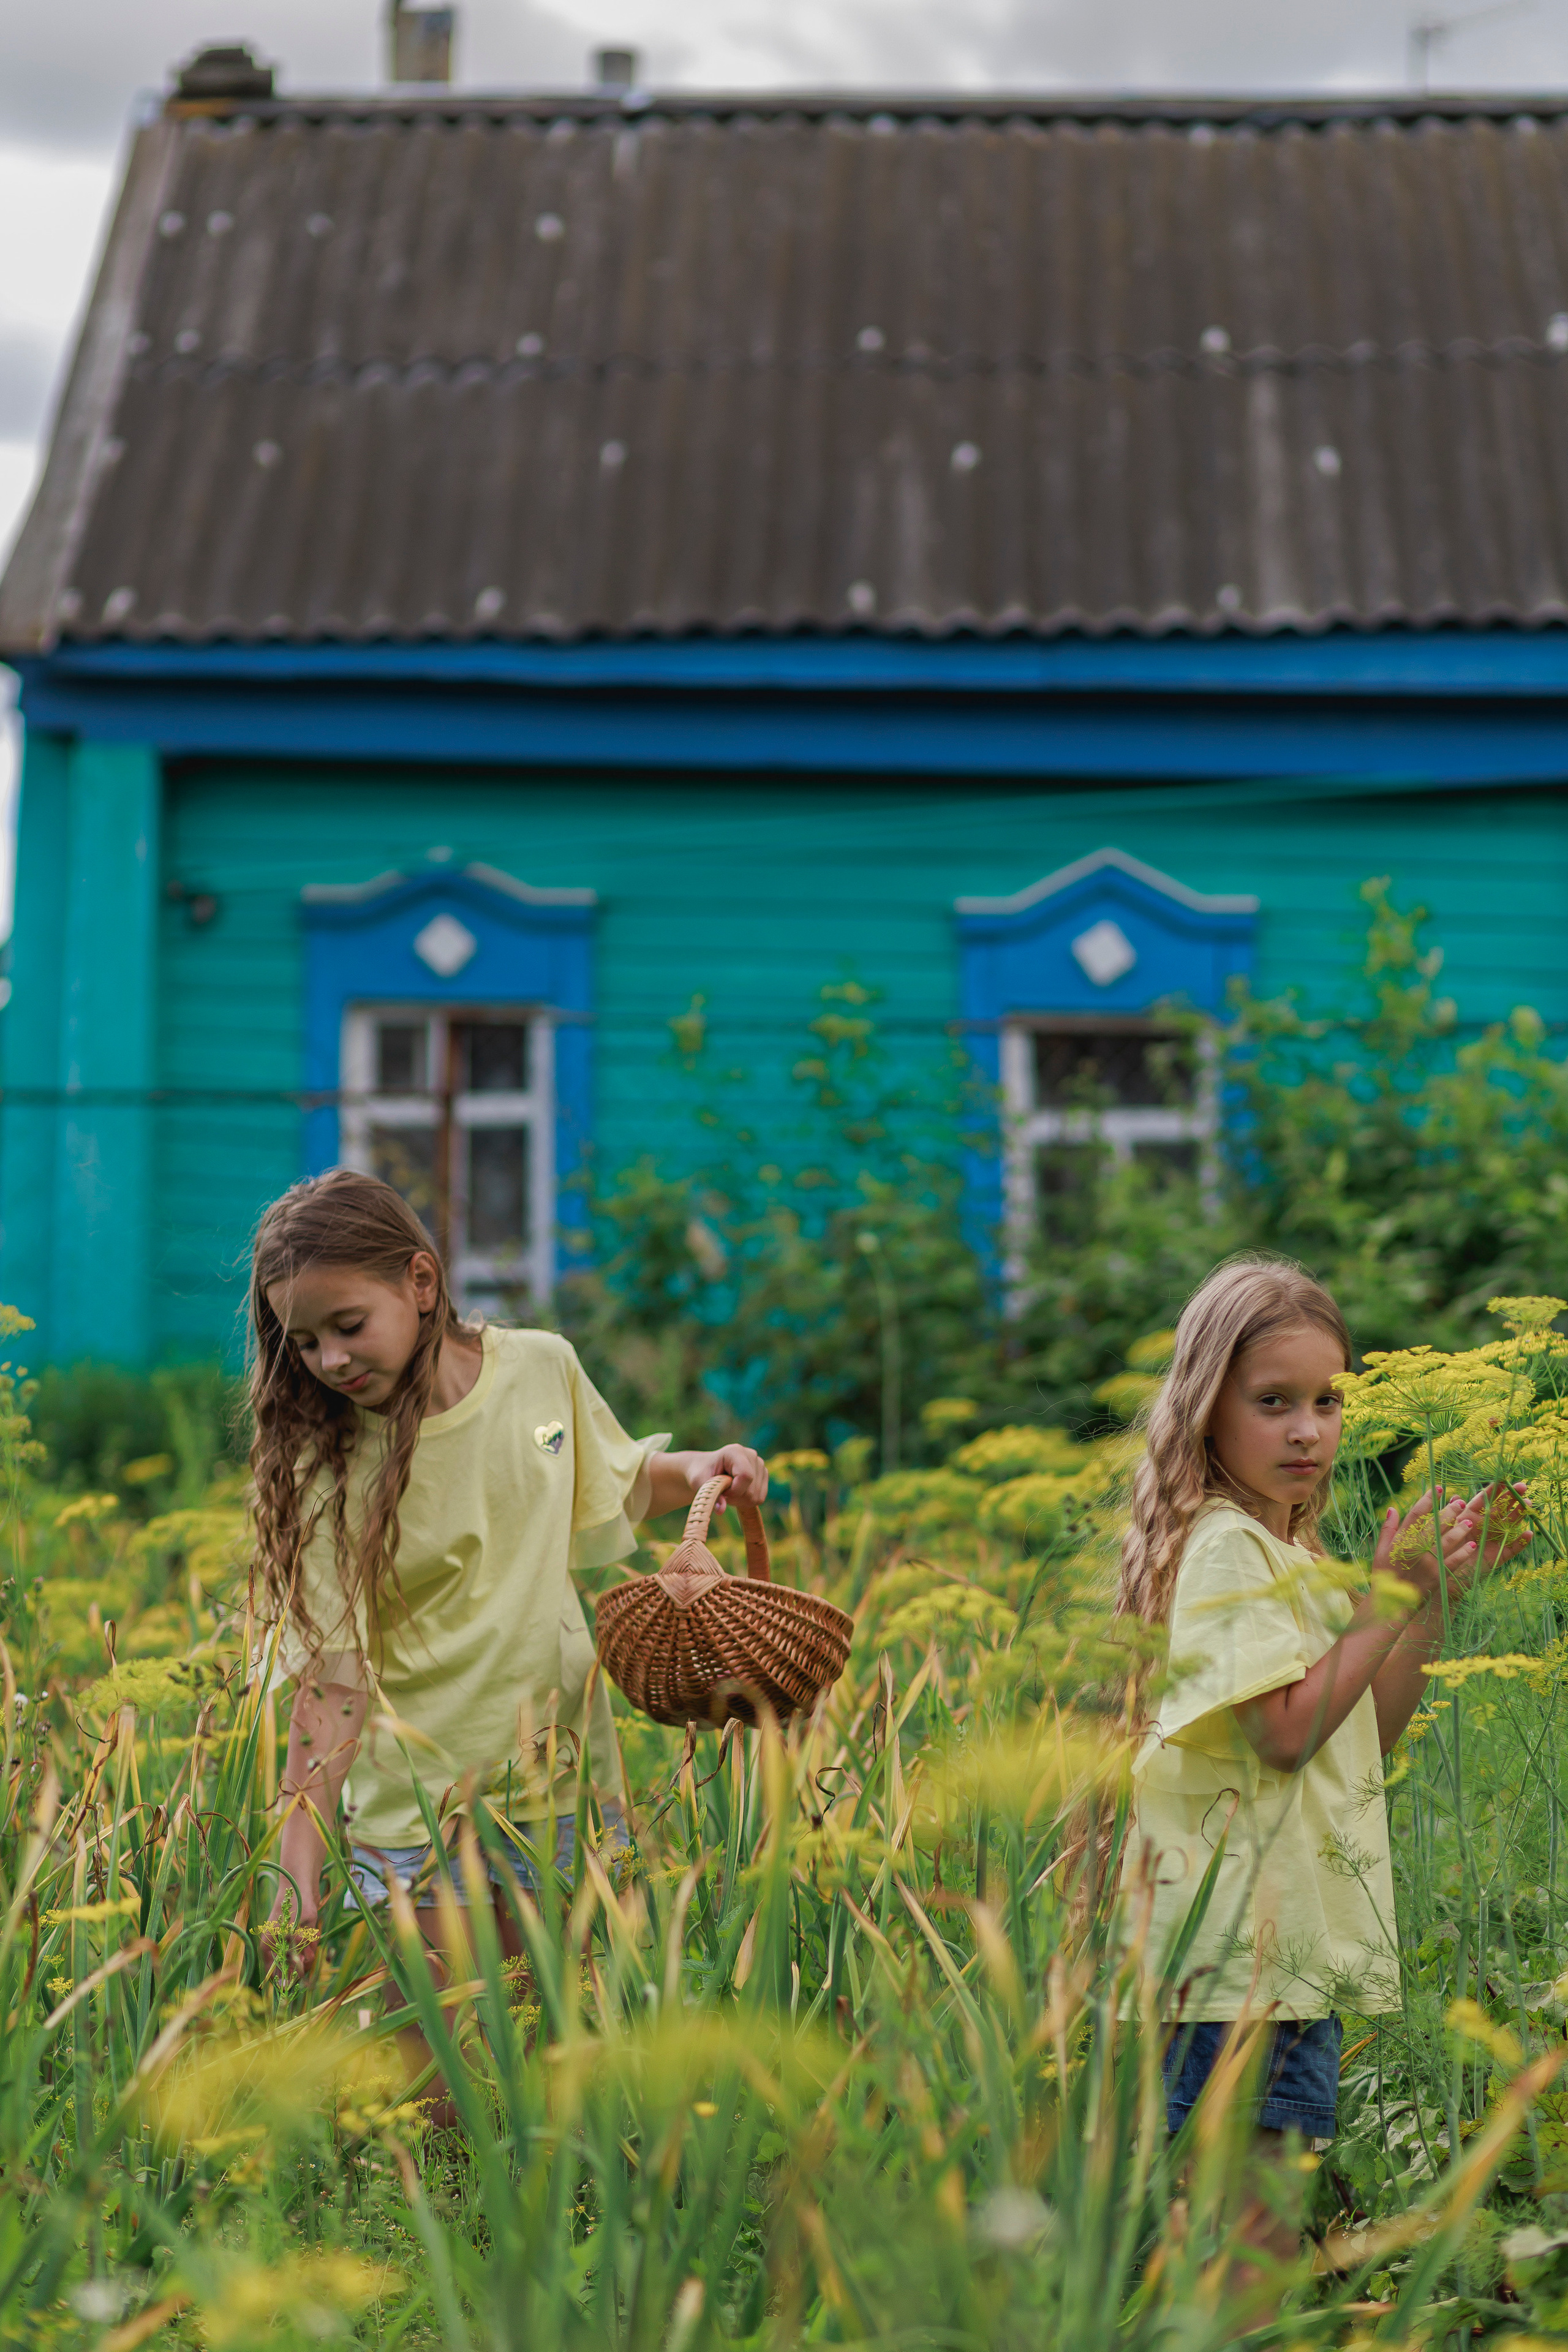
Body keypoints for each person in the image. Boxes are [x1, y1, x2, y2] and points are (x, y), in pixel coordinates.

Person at [251, 1167, 767, 1980]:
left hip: (562, 1788)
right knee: (433, 2088)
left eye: (348, 1324)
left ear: (421, 1282)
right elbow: (332, 1688)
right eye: (306, 1342)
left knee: (561, 2058)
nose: (330, 1359)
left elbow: (619, 1479)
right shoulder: (327, 1467)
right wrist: (298, 1878)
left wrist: (708, 1468)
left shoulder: (540, 1371)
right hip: (417, 1812)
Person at [1120, 1255, 1525, 2286]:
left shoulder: (1290, 1558)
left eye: (1328, 1400)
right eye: (1273, 1403)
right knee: (1246, 2236)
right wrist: (1382, 1599)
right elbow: (1284, 1737)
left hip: (1286, 1959)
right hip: (1237, 1965)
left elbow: (1363, 1735)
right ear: (1208, 1411)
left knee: (1260, 2219)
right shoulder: (1223, 1549)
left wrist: (1423, 1598)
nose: (1308, 1429)